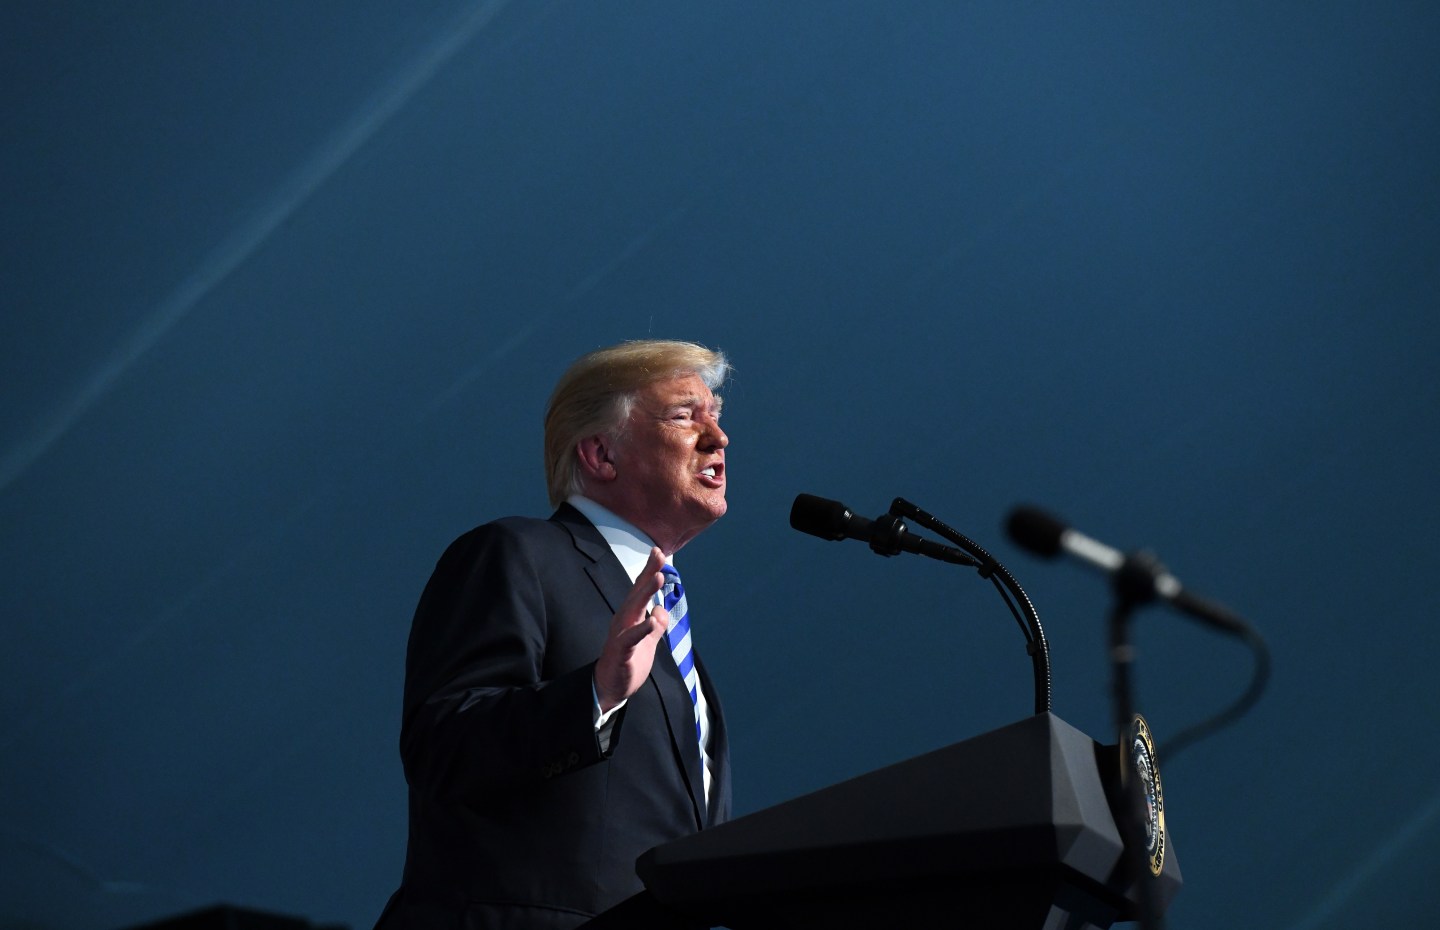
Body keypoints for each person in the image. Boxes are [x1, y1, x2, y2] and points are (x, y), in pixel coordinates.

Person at [374, 340, 734, 930]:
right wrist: (596, 695)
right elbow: (444, 748)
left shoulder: (667, 620)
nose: (717, 437)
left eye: (716, 416)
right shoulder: (516, 554)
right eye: (683, 415)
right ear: (600, 454)